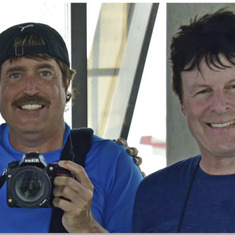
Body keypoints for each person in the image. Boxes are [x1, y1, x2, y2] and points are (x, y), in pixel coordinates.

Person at [0, 22, 143, 233]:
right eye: (15, 75)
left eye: (45, 73)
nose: (30, 88)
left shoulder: (113, 163)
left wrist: (87, 227)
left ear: (66, 84)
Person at [132, 9, 235, 233]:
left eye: (233, 87)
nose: (220, 105)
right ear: (182, 105)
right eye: (203, 91)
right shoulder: (154, 193)